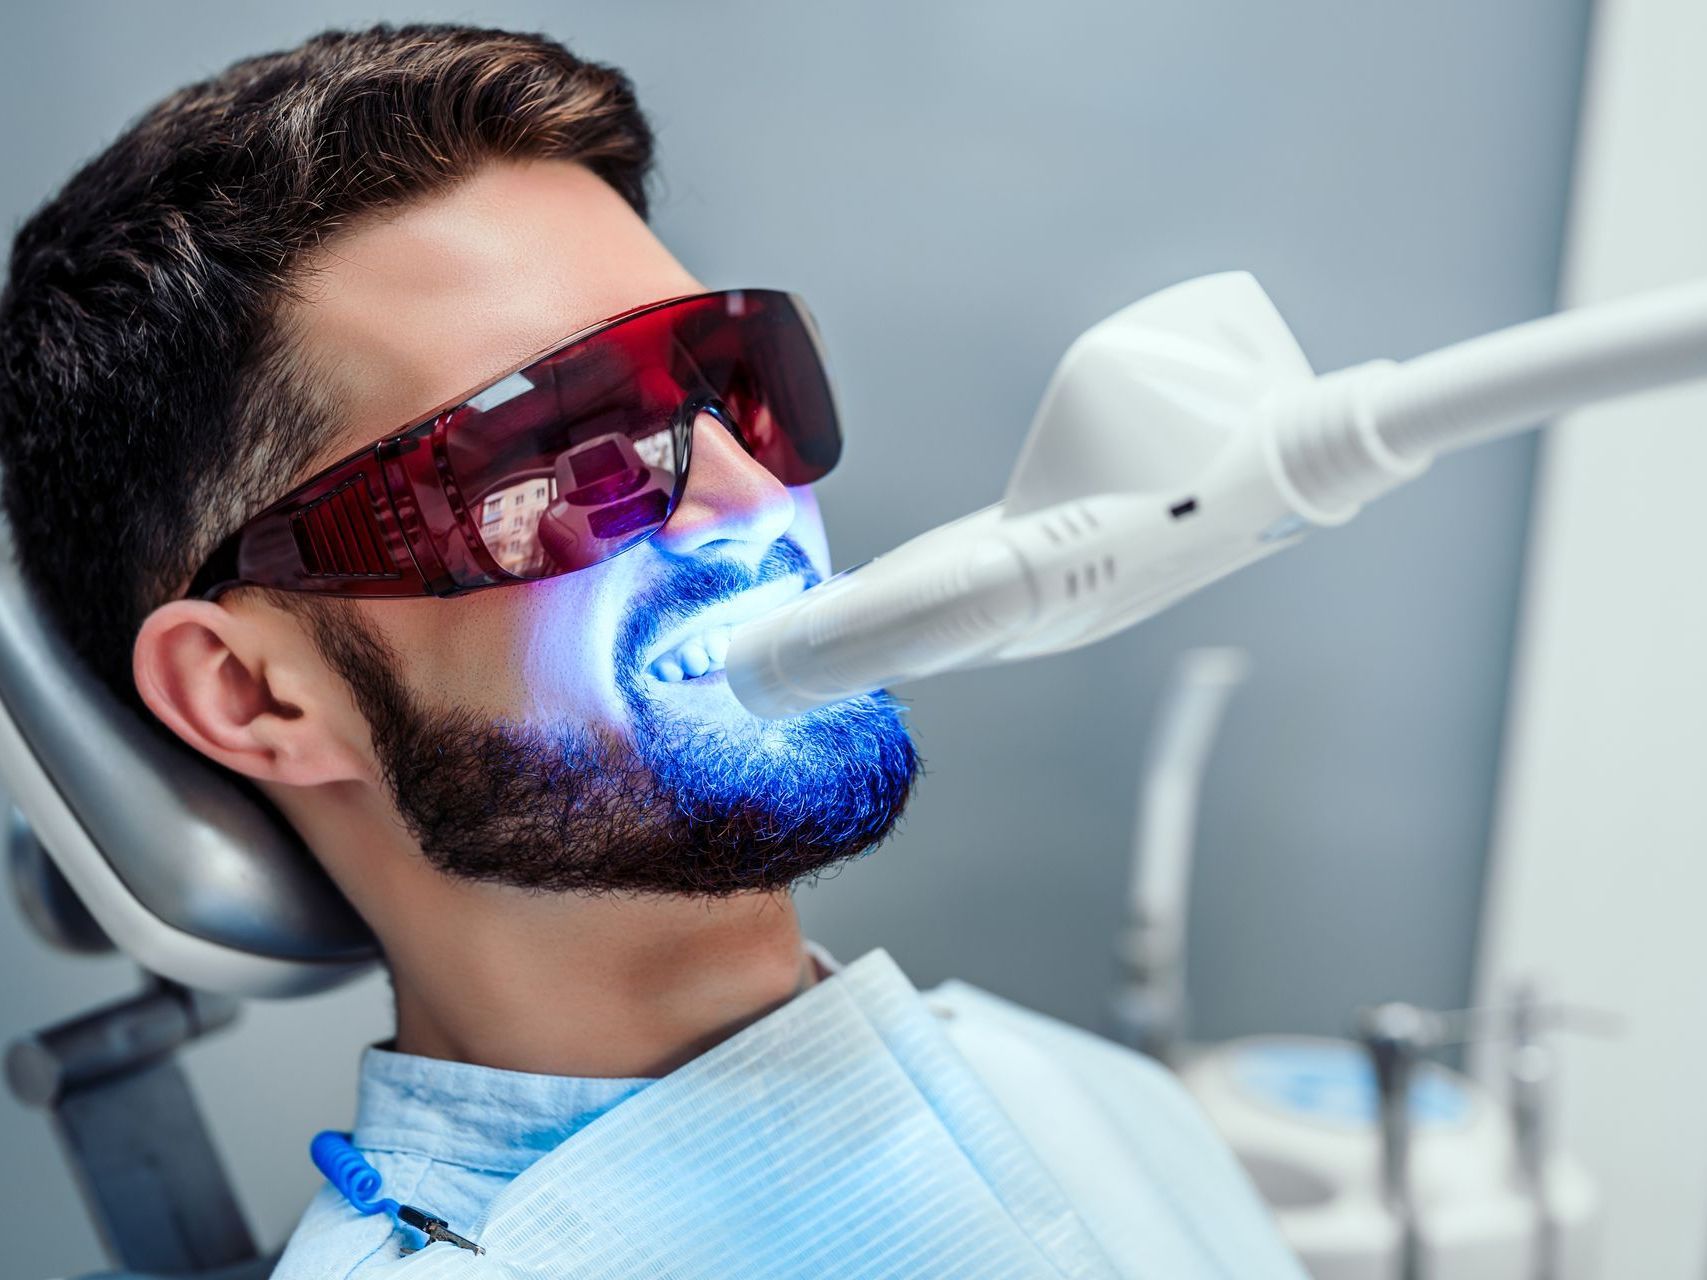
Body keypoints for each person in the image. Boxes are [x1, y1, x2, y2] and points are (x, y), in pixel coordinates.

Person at [0, 23, 1303, 1278]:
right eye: (557, 452)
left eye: (733, 386)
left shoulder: (1085, 1095)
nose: (748, 502)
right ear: (255, 694)